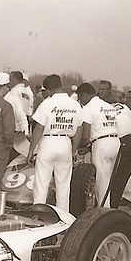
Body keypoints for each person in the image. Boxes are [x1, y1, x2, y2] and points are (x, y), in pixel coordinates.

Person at [28, 74, 83, 212]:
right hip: (65, 142)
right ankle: (63, 219)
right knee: (64, 185)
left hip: (48, 142)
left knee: (41, 183)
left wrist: (31, 151)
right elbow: (79, 130)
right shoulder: (74, 104)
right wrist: (73, 151)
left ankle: (38, 215)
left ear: (49, 89)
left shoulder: (47, 103)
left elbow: (38, 128)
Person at [77, 83, 120, 208]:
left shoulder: (88, 108)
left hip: (101, 145)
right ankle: (107, 207)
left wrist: (82, 146)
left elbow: (85, 135)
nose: (81, 101)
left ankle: (104, 211)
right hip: (115, 142)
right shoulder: (108, 106)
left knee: (101, 181)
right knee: (108, 179)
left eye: (80, 98)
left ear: (84, 95)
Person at [108, 98, 131, 208]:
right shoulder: (124, 107)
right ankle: (114, 206)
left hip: (122, 142)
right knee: (123, 177)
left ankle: (110, 206)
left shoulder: (104, 109)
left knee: (113, 176)